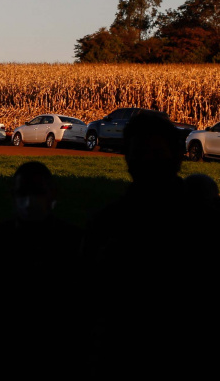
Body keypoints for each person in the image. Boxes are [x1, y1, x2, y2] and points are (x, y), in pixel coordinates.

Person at [82, 112, 220, 379]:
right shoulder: (107, 223)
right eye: (141, 151)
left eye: (156, 152)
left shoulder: (109, 222)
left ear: (177, 155)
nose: (148, 160)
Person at [0, 162, 83, 380]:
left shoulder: (73, 243)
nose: (29, 201)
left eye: (37, 192)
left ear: (52, 195)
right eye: (23, 193)